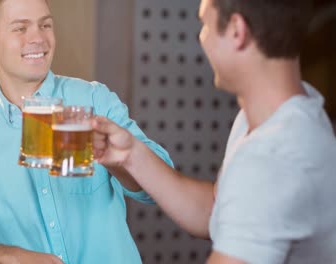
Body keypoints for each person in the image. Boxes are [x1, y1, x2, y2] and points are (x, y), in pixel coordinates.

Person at [0, 0, 172, 263]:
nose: (38, 38)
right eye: (20, 28)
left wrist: (121, 159)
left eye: (45, 24)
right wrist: (8, 257)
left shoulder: (95, 101)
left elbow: (163, 190)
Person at [92, 0, 336, 263]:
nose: (201, 37)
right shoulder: (282, 114)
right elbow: (216, 211)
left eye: (205, 24)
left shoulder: (273, 158)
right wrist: (130, 154)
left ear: (236, 31)